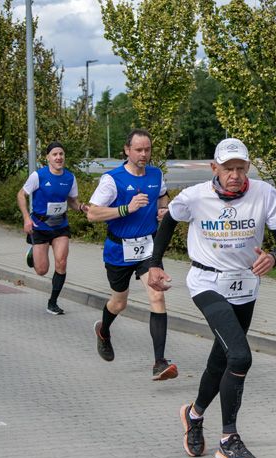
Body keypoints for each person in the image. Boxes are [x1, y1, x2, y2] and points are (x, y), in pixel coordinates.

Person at [147, 138, 276, 458]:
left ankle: (193, 415)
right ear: (215, 168)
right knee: (240, 357)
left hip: (245, 285)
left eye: (241, 168)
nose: (236, 175)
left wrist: (274, 257)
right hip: (206, 282)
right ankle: (229, 438)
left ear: (248, 168)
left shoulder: (264, 194)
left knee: (221, 360)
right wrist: (155, 263)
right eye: (228, 169)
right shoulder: (196, 196)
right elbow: (169, 219)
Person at [87, 129, 177, 381]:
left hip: (147, 248)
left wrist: (163, 210)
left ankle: (160, 362)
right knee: (119, 303)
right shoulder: (111, 179)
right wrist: (126, 208)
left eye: (147, 149)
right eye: (138, 150)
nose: (144, 154)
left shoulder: (155, 174)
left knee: (157, 295)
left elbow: (162, 197)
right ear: (127, 150)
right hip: (118, 250)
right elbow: (92, 214)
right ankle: (103, 331)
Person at [16, 141, 88, 315]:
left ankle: (53, 302)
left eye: (61, 154)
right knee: (42, 270)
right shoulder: (38, 176)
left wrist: (80, 207)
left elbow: (71, 201)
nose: (58, 157)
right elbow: (21, 195)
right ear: (47, 157)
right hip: (40, 226)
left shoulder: (70, 177)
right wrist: (26, 218)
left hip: (60, 225)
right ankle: (33, 252)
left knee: (61, 263)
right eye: (54, 154)